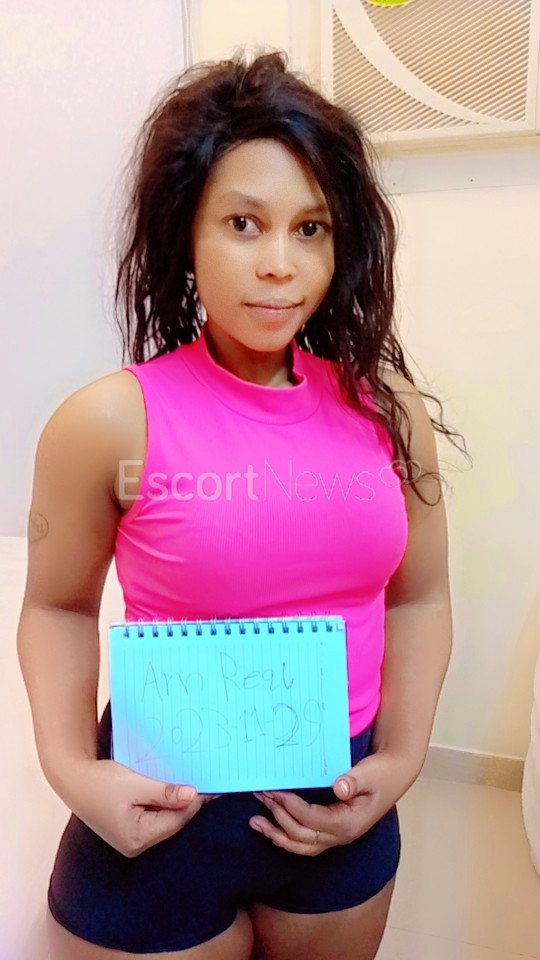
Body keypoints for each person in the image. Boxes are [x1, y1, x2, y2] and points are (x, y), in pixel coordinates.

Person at [18, 51, 455, 960]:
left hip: (337, 810)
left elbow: (419, 596)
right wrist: (72, 773)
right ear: (187, 232)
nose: (280, 266)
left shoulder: (387, 410)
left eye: (310, 228)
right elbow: (56, 607)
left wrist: (402, 757)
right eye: (244, 223)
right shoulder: (106, 423)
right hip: (157, 816)